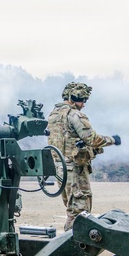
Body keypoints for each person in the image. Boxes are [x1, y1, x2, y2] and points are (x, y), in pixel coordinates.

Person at [46, 81, 120, 231]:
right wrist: (112, 140)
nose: (83, 104)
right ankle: (74, 248)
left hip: (60, 168)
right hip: (74, 170)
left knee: (72, 208)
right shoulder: (74, 115)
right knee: (79, 212)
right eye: (82, 100)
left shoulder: (53, 115)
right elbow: (92, 139)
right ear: (72, 98)